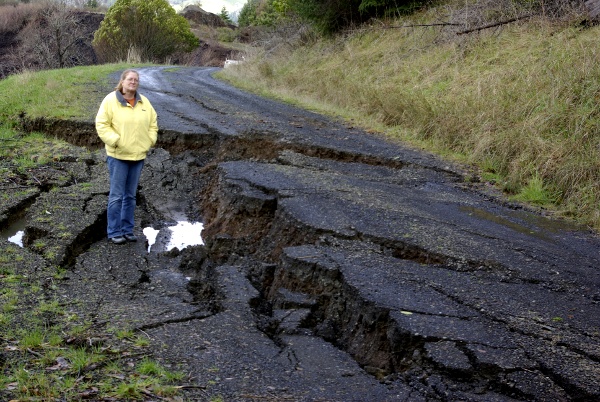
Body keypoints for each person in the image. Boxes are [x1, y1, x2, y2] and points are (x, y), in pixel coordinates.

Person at [96, 69, 158, 245]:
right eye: (130, 79)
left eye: (136, 79)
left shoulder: (144, 102)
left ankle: (127, 230)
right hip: (118, 156)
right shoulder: (110, 100)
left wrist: (150, 140)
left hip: (138, 156)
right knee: (116, 196)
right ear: (122, 81)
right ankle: (114, 231)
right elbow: (101, 124)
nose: (133, 82)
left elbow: (153, 124)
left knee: (130, 196)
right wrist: (115, 141)